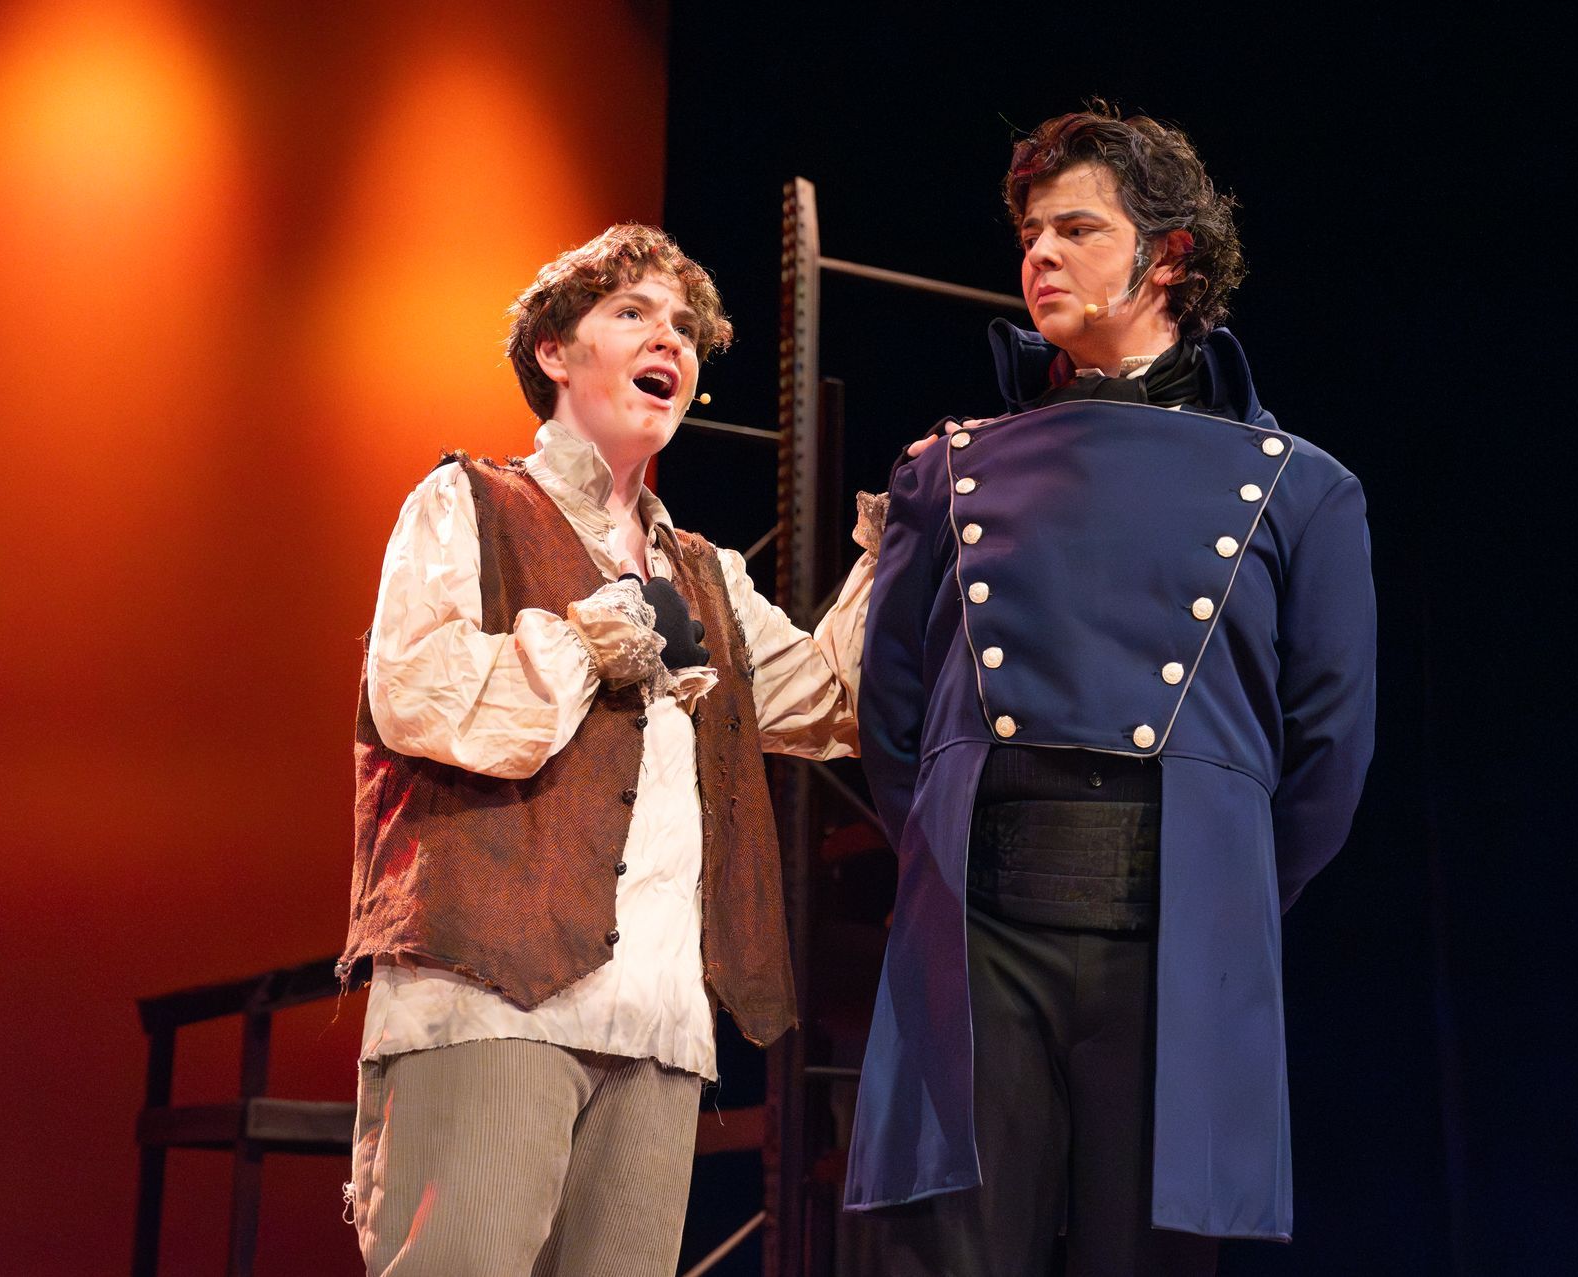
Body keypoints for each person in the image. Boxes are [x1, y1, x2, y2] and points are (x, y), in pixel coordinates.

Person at [847, 108, 1378, 1275]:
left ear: (1170, 255)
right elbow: (889, 724)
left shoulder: (1304, 491)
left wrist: (1219, 888)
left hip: (1177, 939)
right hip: (981, 930)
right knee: (943, 1254)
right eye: (1030, 232)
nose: (1038, 254)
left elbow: (1329, 757)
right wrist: (949, 858)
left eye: (1077, 228)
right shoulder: (943, 470)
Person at [337, 223, 875, 1276]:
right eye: (632, 313)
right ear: (555, 352)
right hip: (493, 997)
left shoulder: (698, 577)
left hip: (659, 1023)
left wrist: (890, 554)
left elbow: (829, 700)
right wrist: (583, 641)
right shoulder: (473, 506)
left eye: (683, 326)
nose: (666, 338)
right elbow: (417, 697)